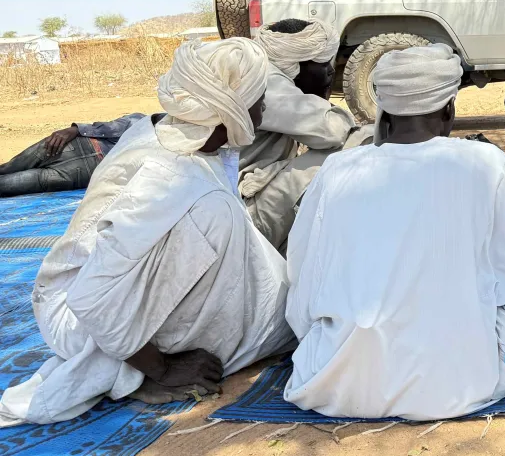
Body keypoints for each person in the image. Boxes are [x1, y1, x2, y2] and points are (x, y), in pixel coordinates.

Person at [284, 45, 505, 420]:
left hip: (335, 382)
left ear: (383, 111)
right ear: (449, 111)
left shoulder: (337, 168)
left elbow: (302, 281)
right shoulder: (482, 162)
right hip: (451, 385)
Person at [0, 39, 294, 427]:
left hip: (96, 304)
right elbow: (92, 298)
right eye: (259, 97)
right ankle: (135, 370)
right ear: (230, 108)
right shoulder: (178, 183)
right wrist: (161, 368)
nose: (264, 107)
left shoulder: (171, 133)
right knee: (272, 319)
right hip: (84, 319)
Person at [238, 18, 357, 249]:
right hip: (244, 215)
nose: (331, 71)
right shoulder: (267, 82)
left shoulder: (258, 70)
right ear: (296, 65)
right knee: (351, 145)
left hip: (238, 202)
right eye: (323, 63)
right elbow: (334, 130)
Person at [0, 113, 146, 197]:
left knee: (8, 182)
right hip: (71, 147)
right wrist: (76, 130)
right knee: (7, 170)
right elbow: (120, 125)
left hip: (83, 169)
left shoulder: (155, 121)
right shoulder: (156, 121)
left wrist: (76, 130)